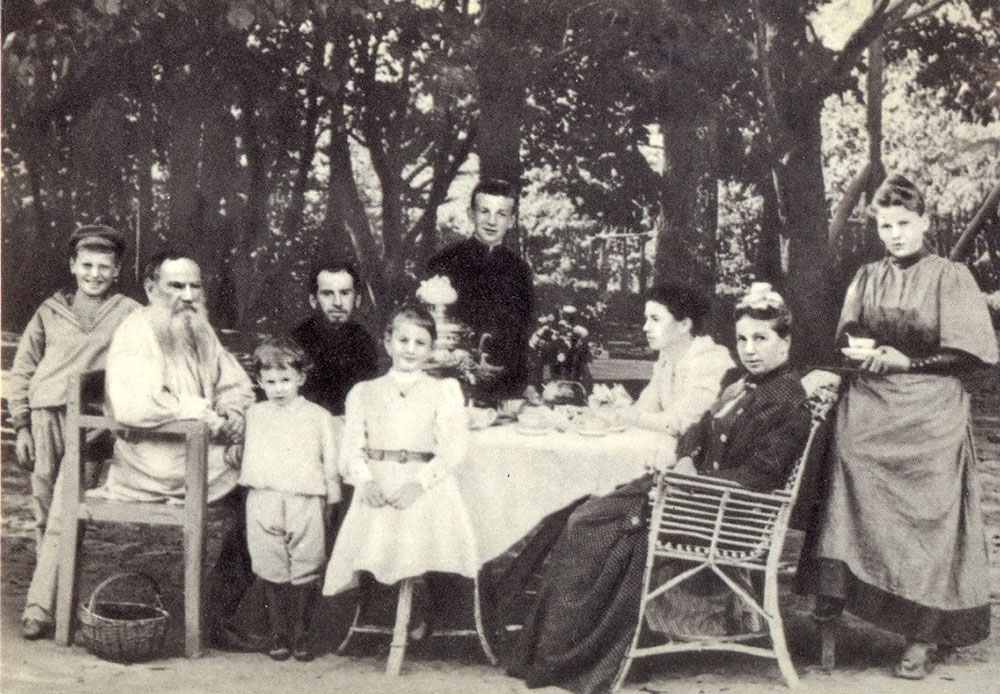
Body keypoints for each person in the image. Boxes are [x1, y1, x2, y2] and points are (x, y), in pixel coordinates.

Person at [504, 283, 814, 694]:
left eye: (761, 338)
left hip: (726, 513)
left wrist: (694, 483)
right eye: (742, 338)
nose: (750, 349)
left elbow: (761, 476)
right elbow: (696, 430)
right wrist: (686, 458)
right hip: (694, 495)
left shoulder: (789, 399)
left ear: (785, 341)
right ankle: (552, 651)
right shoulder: (742, 385)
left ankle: (581, 657)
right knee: (587, 514)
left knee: (595, 528)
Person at [811, 174, 999, 679]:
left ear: (925, 224)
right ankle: (839, 588)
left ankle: (923, 631)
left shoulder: (950, 276)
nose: (895, 234)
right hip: (873, 399)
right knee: (846, 453)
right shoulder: (867, 276)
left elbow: (970, 355)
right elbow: (849, 332)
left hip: (931, 403)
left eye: (904, 224)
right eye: (886, 225)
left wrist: (909, 364)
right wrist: (862, 346)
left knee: (929, 512)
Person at [19, 251, 255, 639]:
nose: (188, 295)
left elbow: (234, 382)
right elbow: (134, 407)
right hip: (154, 463)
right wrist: (205, 413)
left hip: (196, 452)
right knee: (265, 483)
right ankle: (216, 615)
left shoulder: (198, 327)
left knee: (272, 480)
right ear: (150, 288)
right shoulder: (137, 331)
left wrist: (232, 413)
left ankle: (219, 609)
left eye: (195, 285)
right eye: (175, 286)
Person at [322, 304, 478, 622]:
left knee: (421, 539)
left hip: (423, 483)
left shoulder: (443, 391)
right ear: (388, 341)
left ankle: (424, 613)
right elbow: (352, 447)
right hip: (378, 481)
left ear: (431, 348)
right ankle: (384, 612)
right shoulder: (364, 392)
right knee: (378, 539)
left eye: (420, 343)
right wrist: (364, 481)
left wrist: (419, 484)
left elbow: (453, 448)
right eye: (403, 340)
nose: (410, 349)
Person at [7, 225, 140, 548]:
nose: (94, 274)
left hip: (92, 422)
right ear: (73, 266)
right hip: (45, 418)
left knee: (73, 511)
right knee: (44, 503)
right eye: (87, 265)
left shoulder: (130, 313)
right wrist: (22, 425)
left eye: (104, 267)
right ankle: (45, 596)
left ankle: (61, 594)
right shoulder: (50, 311)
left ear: (117, 270)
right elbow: (23, 369)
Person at [238, 337, 342, 662]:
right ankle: (278, 633)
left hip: (304, 498)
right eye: (270, 382)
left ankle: (301, 633)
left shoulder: (318, 416)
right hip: (264, 497)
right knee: (270, 564)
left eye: (286, 380)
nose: (279, 388)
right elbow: (241, 453)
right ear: (259, 382)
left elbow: (331, 462)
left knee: (306, 564)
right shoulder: (254, 414)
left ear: (301, 378)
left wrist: (332, 500)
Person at [427, 178, 534, 400]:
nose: (492, 221)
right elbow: (427, 329)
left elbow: (523, 333)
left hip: (506, 386)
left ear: (512, 220)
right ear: (471, 214)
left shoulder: (521, 270)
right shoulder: (444, 261)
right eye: (484, 211)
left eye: (501, 214)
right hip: (452, 384)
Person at [292, 262, 379, 416]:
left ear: (357, 299)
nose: (337, 302)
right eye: (327, 293)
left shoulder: (364, 341)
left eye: (345, 293)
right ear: (313, 300)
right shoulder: (296, 340)